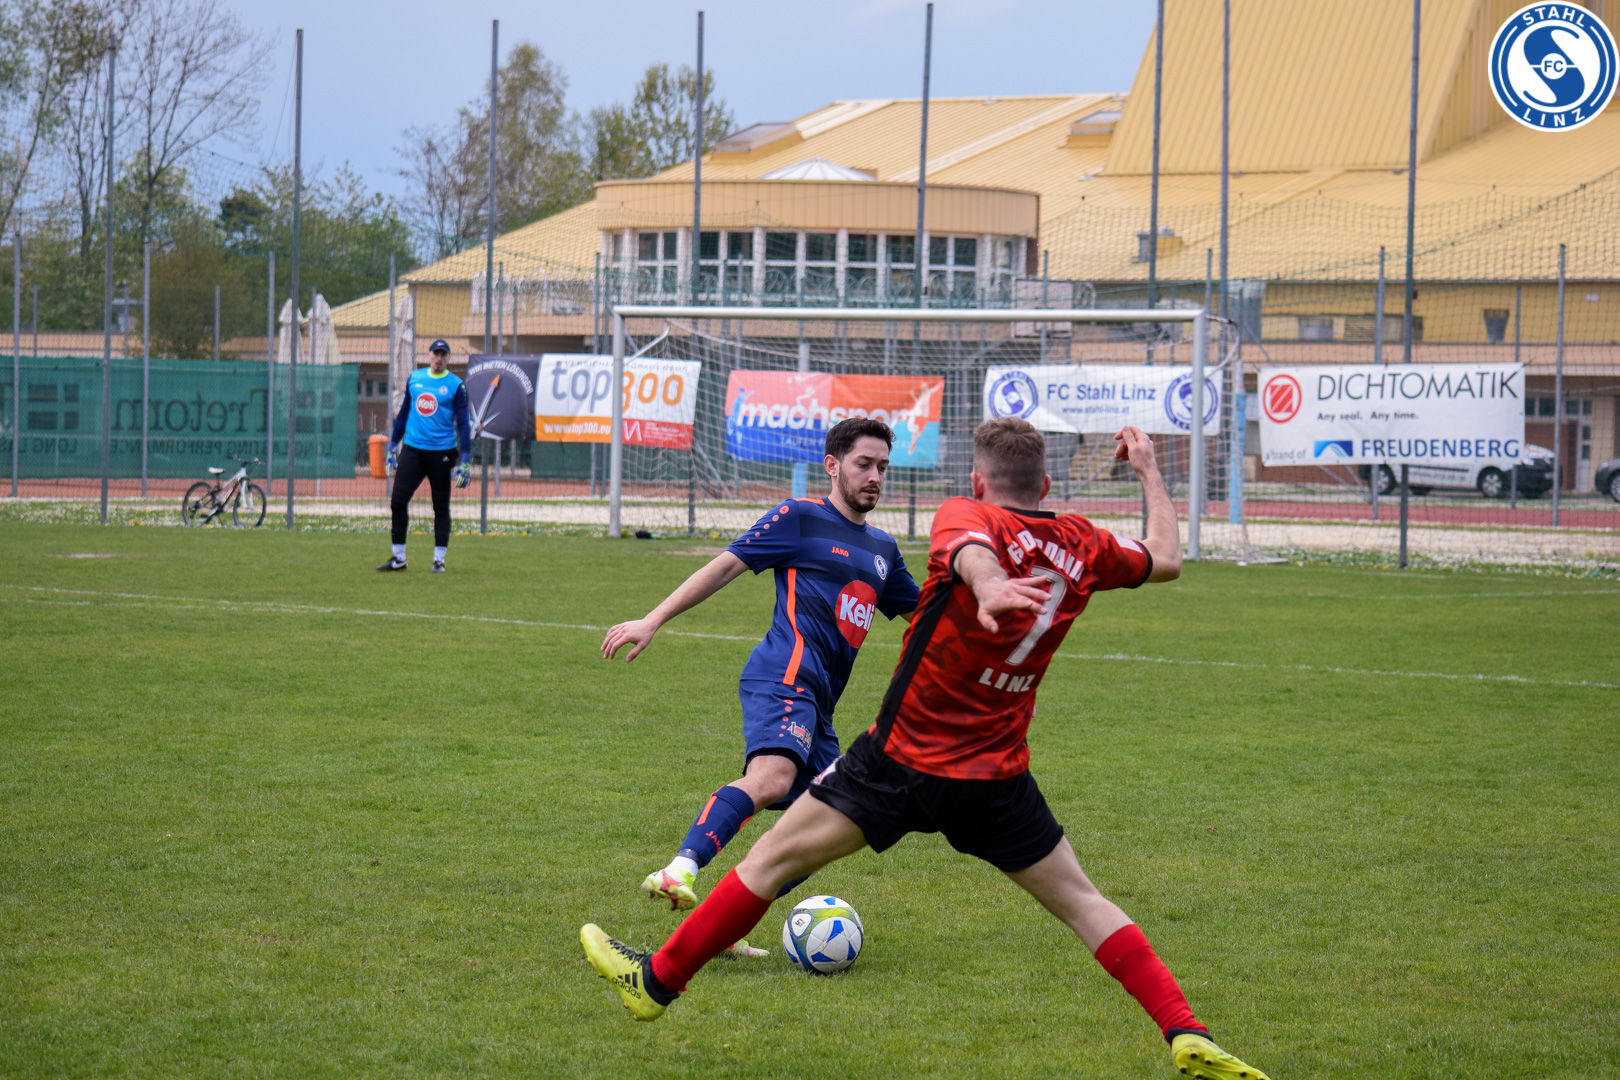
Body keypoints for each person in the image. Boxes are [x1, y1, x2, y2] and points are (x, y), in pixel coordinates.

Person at [581, 419, 1270, 1080]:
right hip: (995, 775)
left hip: (901, 760)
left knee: (768, 860)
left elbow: (970, 550)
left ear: (977, 481)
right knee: (1084, 902)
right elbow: (1165, 558)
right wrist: (1148, 470)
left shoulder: (963, 516)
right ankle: (1186, 1030)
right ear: (1046, 483)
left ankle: (656, 981)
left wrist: (989, 581)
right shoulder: (1083, 543)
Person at [601, 416, 919, 956]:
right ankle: (679, 869)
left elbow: (930, 616)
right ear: (833, 465)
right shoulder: (801, 518)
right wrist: (653, 619)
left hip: (820, 703)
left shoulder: (883, 550)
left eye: (883, 467)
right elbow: (725, 568)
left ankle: (724, 924)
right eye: (864, 464)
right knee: (772, 777)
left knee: (834, 825)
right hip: (783, 675)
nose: (874, 477)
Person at [378, 339, 471, 573]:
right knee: (398, 500)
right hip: (413, 449)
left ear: (449, 358)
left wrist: (466, 460)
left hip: (442, 452)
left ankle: (438, 560)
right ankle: (399, 558)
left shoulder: (456, 386)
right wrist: (392, 445)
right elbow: (403, 414)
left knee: (440, 506)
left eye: (443, 354)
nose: (439, 358)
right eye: (435, 354)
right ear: (428, 355)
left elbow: (464, 424)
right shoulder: (415, 378)